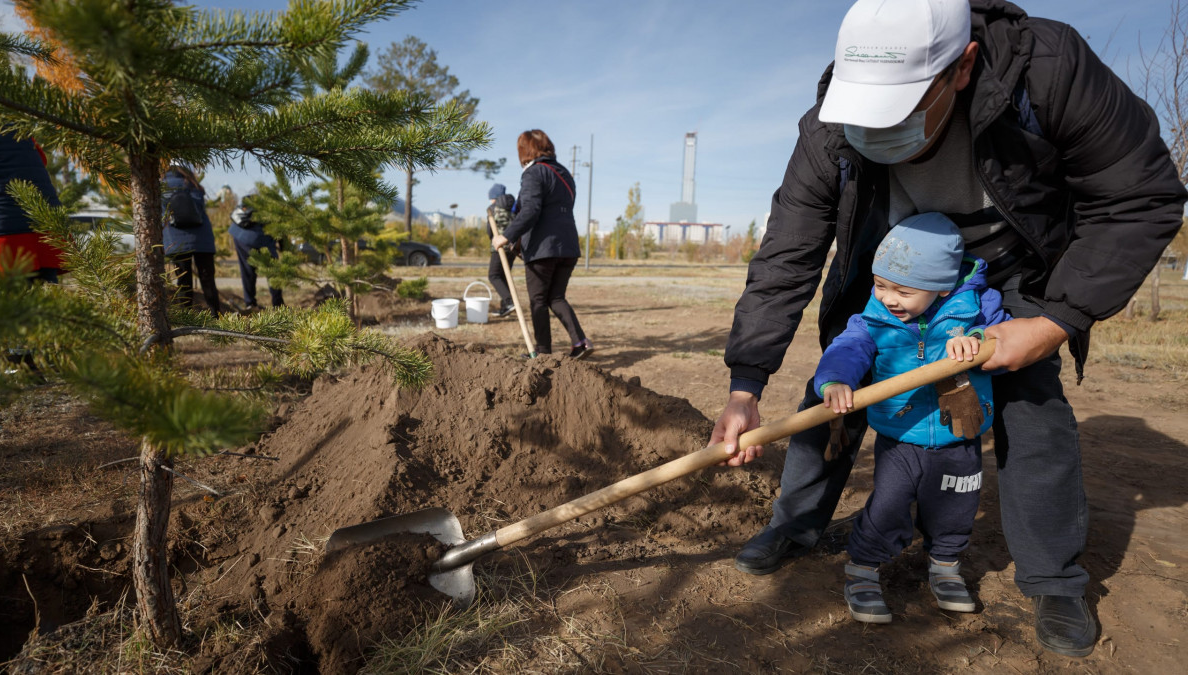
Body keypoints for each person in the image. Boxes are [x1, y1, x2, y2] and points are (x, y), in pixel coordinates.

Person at [711, 0, 1185, 658]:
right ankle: (796, 523)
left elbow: (1141, 194)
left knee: (1030, 394)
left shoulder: (1047, 72)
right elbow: (789, 249)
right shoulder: (833, 121)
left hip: (1005, 262)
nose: (874, 129)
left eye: (899, 112)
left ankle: (1053, 576)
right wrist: (745, 380)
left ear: (962, 68)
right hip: (889, 263)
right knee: (840, 380)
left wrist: (1055, 321)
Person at [814, 213, 1008, 623]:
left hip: (962, 433)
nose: (887, 298)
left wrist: (980, 343)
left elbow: (1006, 342)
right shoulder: (875, 317)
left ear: (941, 287)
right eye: (880, 285)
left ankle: (945, 566)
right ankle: (863, 569)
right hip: (900, 434)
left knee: (957, 507)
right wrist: (834, 380)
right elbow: (849, 347)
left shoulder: (977, 310)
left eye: (901, 290)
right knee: (888, 504)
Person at [492, 130, 593, 358]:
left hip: (542, 249)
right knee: (556, 297)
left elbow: (531, 210)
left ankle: (543, 353)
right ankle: (580, 342)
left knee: (538, 300)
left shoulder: (533, 173)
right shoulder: (565, 174)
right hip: (568, 246)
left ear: (524, 151)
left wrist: (505, 236)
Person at [0, 131, 63, 286]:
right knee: (45, 303)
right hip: (46, 228)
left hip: (3, 234)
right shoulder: (16, 125)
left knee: (5, 306)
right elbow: (41, 160)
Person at [162, 164, 220, 317]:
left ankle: (187, 317)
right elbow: (200, 207)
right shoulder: (194, 185)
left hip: (176, 240)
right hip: (202, 239)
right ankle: (216, 315)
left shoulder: (161, 185)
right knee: (207, 279)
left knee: (183, 281)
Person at [229, 196, 284, 311]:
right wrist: (285, 249)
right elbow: (281, 233)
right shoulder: (277, 211)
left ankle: (250, 304)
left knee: (247, 271)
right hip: (256, 237)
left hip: (239, 235)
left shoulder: (263, 202)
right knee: (273, 271)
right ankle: (278, 305)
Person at [485, 183, 517, 317]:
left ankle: (510, 302)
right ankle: (506, 307)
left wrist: (493, 239)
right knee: (505, 276)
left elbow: (489, 230)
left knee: (493, 275)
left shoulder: (492, 208)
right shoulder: (513, 207)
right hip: (512, 246)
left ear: (494, 197)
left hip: (499, 247)